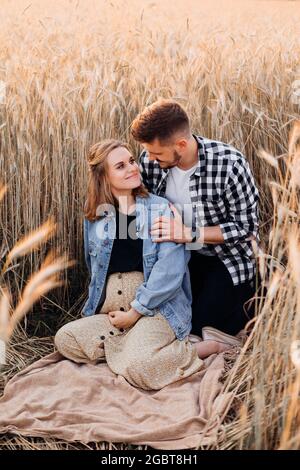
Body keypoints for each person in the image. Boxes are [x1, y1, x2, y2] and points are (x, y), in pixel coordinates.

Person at [54, 139, 213, 391]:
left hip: (157, 308)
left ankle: (198, 349)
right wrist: (106, 311)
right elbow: (92, 264)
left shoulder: (160, 209)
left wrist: (135, 312)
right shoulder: (95, 214)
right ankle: (131, 347)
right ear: (103, 176)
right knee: (65, 338)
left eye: (131, 161)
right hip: (113, 312)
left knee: (139, 369)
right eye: (120, 166)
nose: (132, 168)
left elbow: (169, 273)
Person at [131, 98, 259, 358]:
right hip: (176, 257)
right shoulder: (150, 160)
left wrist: (190, 234)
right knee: (173, 324)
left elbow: (246, 229)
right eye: (149, 153)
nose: (150, 160)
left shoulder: (229, 165)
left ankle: (249, 308)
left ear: (181, 144)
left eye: (158, 154)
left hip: (226, 259)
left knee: (200, 326)